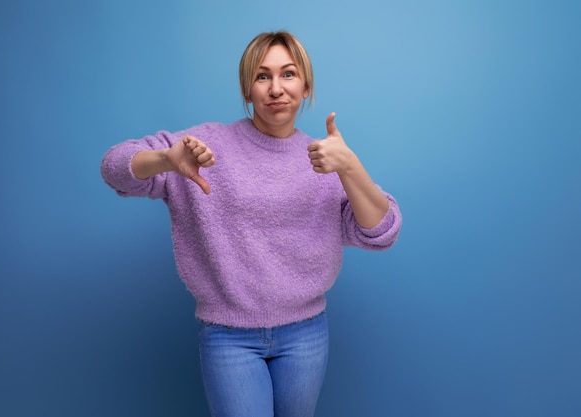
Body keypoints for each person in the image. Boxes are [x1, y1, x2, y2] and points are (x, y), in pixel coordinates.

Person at [101, 30, 402, 417]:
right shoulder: (206, 146)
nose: (276, 88)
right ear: (247, 90)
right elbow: (115, 167)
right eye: (262, 77)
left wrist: (350, 166)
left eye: (288, 74)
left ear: (306, 85)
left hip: (306, 332)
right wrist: (165, 160)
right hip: (229, 336)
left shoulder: (325, 159)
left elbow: (381, 231)